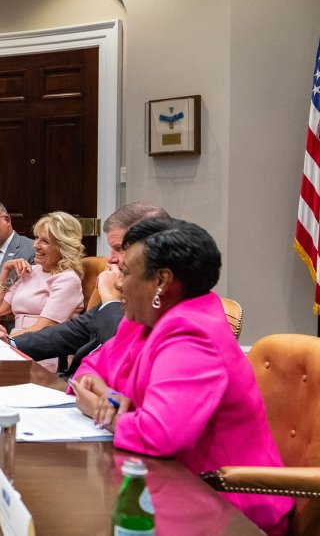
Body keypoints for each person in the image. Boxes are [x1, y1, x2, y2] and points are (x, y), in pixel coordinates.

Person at [71, 219, 293, 536]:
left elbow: (159, 433)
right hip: (167, 481)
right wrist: (107, 393)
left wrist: (98, 411)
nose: (119, 283)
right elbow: (87, 369)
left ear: (161, 280)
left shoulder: (192, 332)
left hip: (225, 505)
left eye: (128, 273)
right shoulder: (147, 317)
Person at [0, 201, 169, 377]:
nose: (111, 259)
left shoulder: (161, 304)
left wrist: (110, 299)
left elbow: (123, 350)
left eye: (120, 248)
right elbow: (76, 331)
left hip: (57, 372)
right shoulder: (132, 291)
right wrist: (7, 343)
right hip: (67, 377)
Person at [0, 211, 84, 368]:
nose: (36, 245)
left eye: (45, 241)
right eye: (37, 238)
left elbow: (44, 327)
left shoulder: (68, 280)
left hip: (45, 353)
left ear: (63, 246)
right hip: (16, 345)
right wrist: (5, 270)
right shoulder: (32, 271)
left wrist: (3, 339)